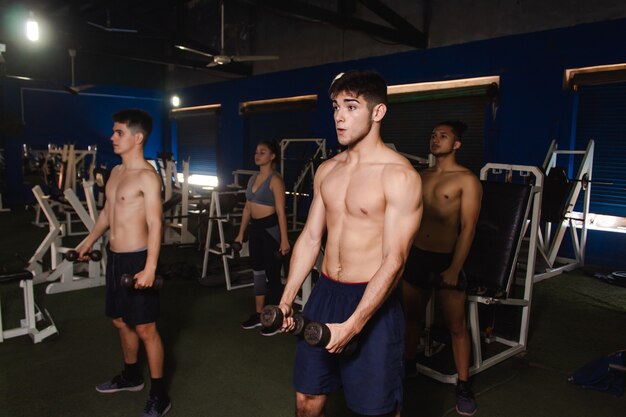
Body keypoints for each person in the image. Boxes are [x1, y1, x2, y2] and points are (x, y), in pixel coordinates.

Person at [277, 70, 422, 417]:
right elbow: (311, 238)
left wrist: (355, 324)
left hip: (372, 300)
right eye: (336, 106)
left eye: (352, 106)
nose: (339, 116)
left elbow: (395, 259)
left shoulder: (399, 176)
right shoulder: (327, 170)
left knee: (376, 410)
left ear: (377, 112)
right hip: (325, 295)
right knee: (306, 401)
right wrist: (286, 300)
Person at [77, 109, 171, 417]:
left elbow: (156, 224)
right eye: (114, 132)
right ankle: (131, 376)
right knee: (119, 319)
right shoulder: (116, 173)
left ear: (137, 137)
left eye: (119, 132)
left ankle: (160, 395)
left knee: (146, 327)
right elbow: (107, 212)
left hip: (138, 258)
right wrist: (89, 240)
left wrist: (151, 267)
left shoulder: (147, 177)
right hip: (114, 257)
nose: (112, 137)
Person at [402, 121, 482, 416]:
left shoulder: (467, 180)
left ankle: (463, 384)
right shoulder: (420, 176)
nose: (435, 140)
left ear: (457, 144)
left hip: (447, 259)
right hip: (418, 256)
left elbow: (469, 228)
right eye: (433, 135)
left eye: (443, 136)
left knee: (456, 327)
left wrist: (454, 268)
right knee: (411, 317)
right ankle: (408, 366)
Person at [235, 140, 291, 336]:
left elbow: (281, 212)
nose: (257, 155)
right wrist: (241, 233)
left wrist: (284, 239)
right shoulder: (252, 179)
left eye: (263, 152)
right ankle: (260, 314)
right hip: (256, 230)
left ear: (272, 156)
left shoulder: (275, 180)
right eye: (256, 152)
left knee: (273, 275)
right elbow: (248, 208)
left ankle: (277, 318)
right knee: (257, 272)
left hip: (271, 230)